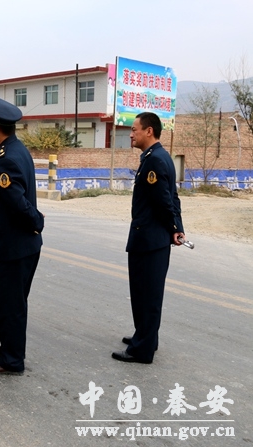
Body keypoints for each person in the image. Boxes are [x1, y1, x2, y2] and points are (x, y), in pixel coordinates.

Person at [0, 94, 44, 375]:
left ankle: (12, 360)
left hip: (14, 246)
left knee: (11, 305)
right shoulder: (13, 149)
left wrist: (37, 221)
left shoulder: (7, 159)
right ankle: (9, 346)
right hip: (17, 245)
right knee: (11, 302)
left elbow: (18, 203)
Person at [112, 112, 185, 364]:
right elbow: (173, 197)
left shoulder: (155, 160)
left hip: (150, 239)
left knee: (147, 295)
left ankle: (142, 350)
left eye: (134, 129)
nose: (131, 134)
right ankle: (146, 337)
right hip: (152, 237)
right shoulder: (158, 157)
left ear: (149, 131)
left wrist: (174, 226)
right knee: (145, 293)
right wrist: (177, 228)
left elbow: (164, 201)